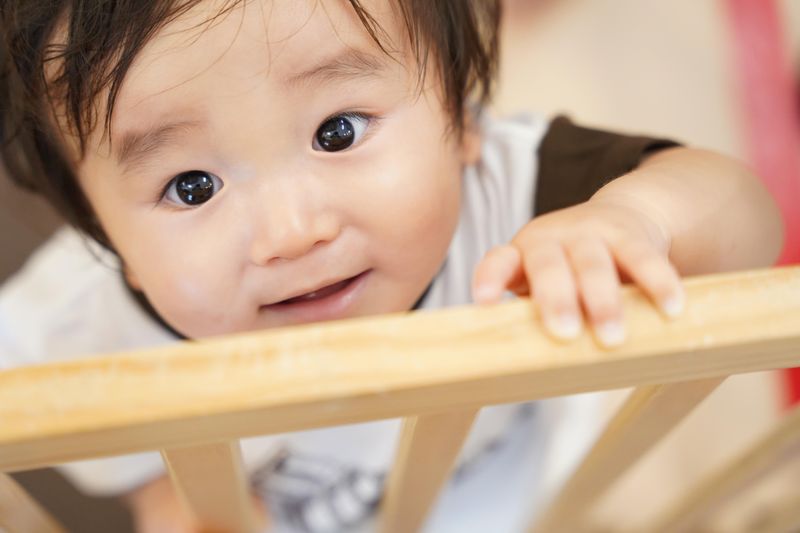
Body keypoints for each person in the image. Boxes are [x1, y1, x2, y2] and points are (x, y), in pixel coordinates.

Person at [0, 0, 784, 531]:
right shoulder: (83, 317)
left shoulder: (506, 187)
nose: (291, 232)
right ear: (109, 241)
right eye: (192, 186)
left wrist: (637, 220)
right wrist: (163, 494)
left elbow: (743, 216)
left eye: (338, 131)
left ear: (463, 120)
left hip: (518, 497)